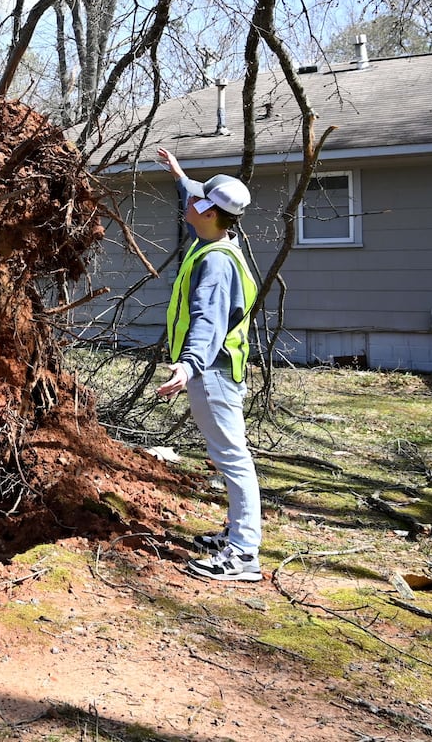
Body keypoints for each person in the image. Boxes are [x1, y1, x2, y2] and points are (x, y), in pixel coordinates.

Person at [155, 147, 263, 582]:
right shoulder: (216, 239)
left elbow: (209, 319)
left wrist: (188, 365)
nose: (187, 200)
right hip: (214, 370)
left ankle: (243, 553)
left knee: (232, 458)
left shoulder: (215, 261)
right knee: (228, 456)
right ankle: (236, 534)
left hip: (212, 371)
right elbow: (197, 192)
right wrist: (180, 172)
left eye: (195, 199)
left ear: (208, 211)